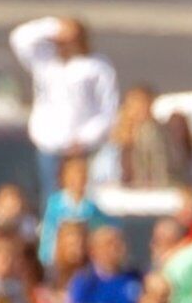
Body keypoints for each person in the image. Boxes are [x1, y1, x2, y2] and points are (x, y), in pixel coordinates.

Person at [11, 14, 121, 201]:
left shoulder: (96, 66)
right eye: (61, 40)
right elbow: (19, 38)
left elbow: (108, 109)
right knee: (51, 198)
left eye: (70, 39)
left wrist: (85, 138)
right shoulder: (45, 62)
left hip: (81, 148)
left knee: (83, 198)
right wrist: (52, 26)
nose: (64, 44)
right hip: (49, 145)